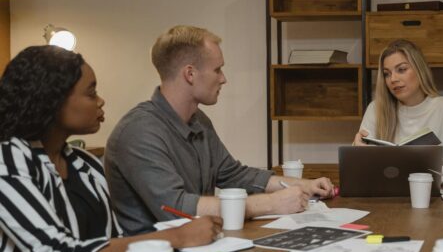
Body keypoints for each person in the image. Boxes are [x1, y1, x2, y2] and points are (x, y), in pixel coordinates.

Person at [0, 46, 222, 252]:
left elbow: (113, 242)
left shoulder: (85, 163)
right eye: (91, 93)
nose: (101, 101)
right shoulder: (8, 160)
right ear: (53, 100)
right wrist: (178, 237)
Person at [105, 26, 334, 235]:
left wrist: (303, 185)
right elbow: (175, 207)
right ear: (190, 74)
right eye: (217, 70)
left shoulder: (198, 120)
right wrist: (271, 203)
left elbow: (234, 175)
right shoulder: (138, 132)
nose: (223, 79)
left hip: (201, 247)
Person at [352, 39, 443, 183]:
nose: (393, 79)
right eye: (387, 74)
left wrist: (421, 173)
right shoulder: (376, 109)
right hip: (385, 198)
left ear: (419, 69)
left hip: (430, 197)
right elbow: (361, 171)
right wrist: (357, 154)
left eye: (401, 69)